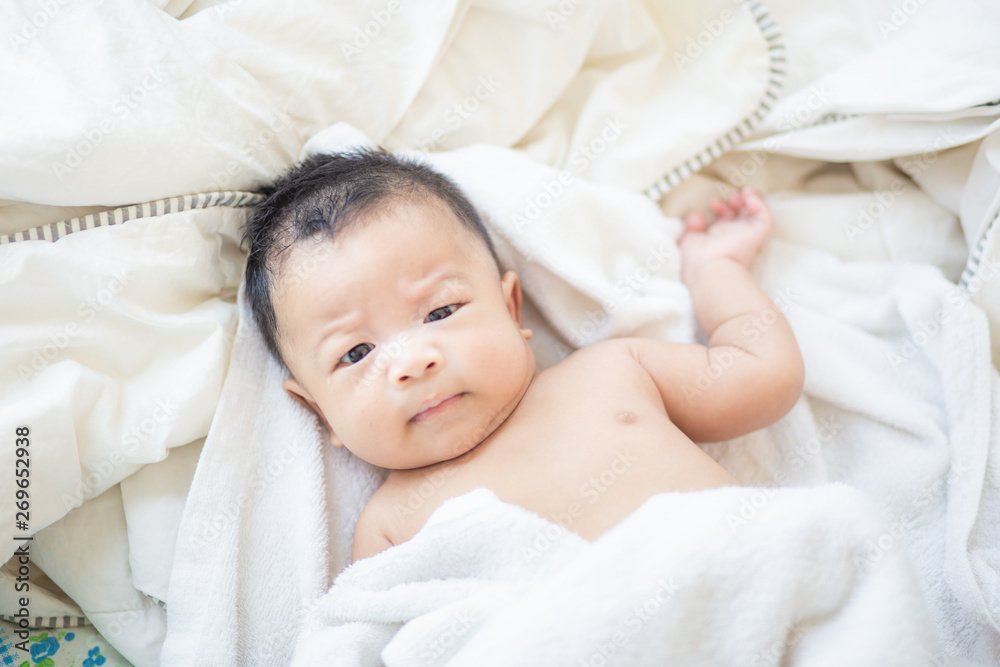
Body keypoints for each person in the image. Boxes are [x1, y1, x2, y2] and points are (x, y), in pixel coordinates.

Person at [242, 149, 804, 562]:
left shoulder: (613, 372)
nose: (412, 362)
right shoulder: (389, 529)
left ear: (511, 309)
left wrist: (716, 270)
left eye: (440, 312)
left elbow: (762, 373)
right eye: (357, 352)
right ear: (319, 412)